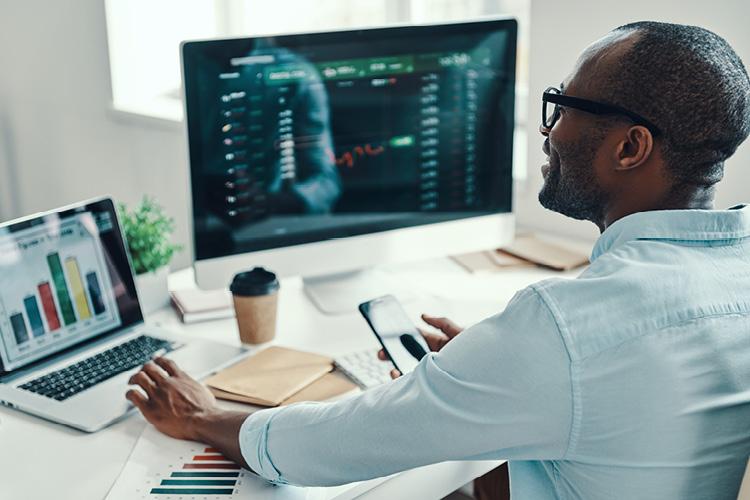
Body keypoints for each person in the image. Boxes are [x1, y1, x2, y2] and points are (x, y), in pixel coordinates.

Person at [127, 21, 750, 499]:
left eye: (562, 108)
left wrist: (208, 417)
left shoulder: (566, 328)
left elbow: (341, 444)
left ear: (631, 147)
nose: (548, 131)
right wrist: (500, 361)